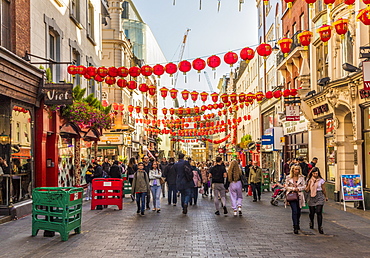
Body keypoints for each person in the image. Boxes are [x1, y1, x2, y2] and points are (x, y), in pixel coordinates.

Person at [284, 164, 306, 234]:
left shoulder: (302, 177)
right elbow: (286, 186)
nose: (297, 171)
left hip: (299, 195)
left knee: (299, 211)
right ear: (292, 170)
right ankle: (295, 226)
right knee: (294, 211)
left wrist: (298, 189)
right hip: (291, 195)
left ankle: (298, 223)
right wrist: (293, 189)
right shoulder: (288, 177)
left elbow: (304, 186)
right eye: (295, 169)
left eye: (298, 169)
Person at [305, 167, 327, 234]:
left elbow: (323, 189)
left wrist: (325, 196)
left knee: (319, 211)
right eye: (314, 173)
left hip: (319, 195)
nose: (315, 175)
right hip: (311, 196)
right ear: (311, 173)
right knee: (312, 212)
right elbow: (307, 190)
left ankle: (320, 227)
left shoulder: (321, 180)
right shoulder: (309, 180)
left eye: (317, 173)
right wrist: (309, 185)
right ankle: (311, 221)